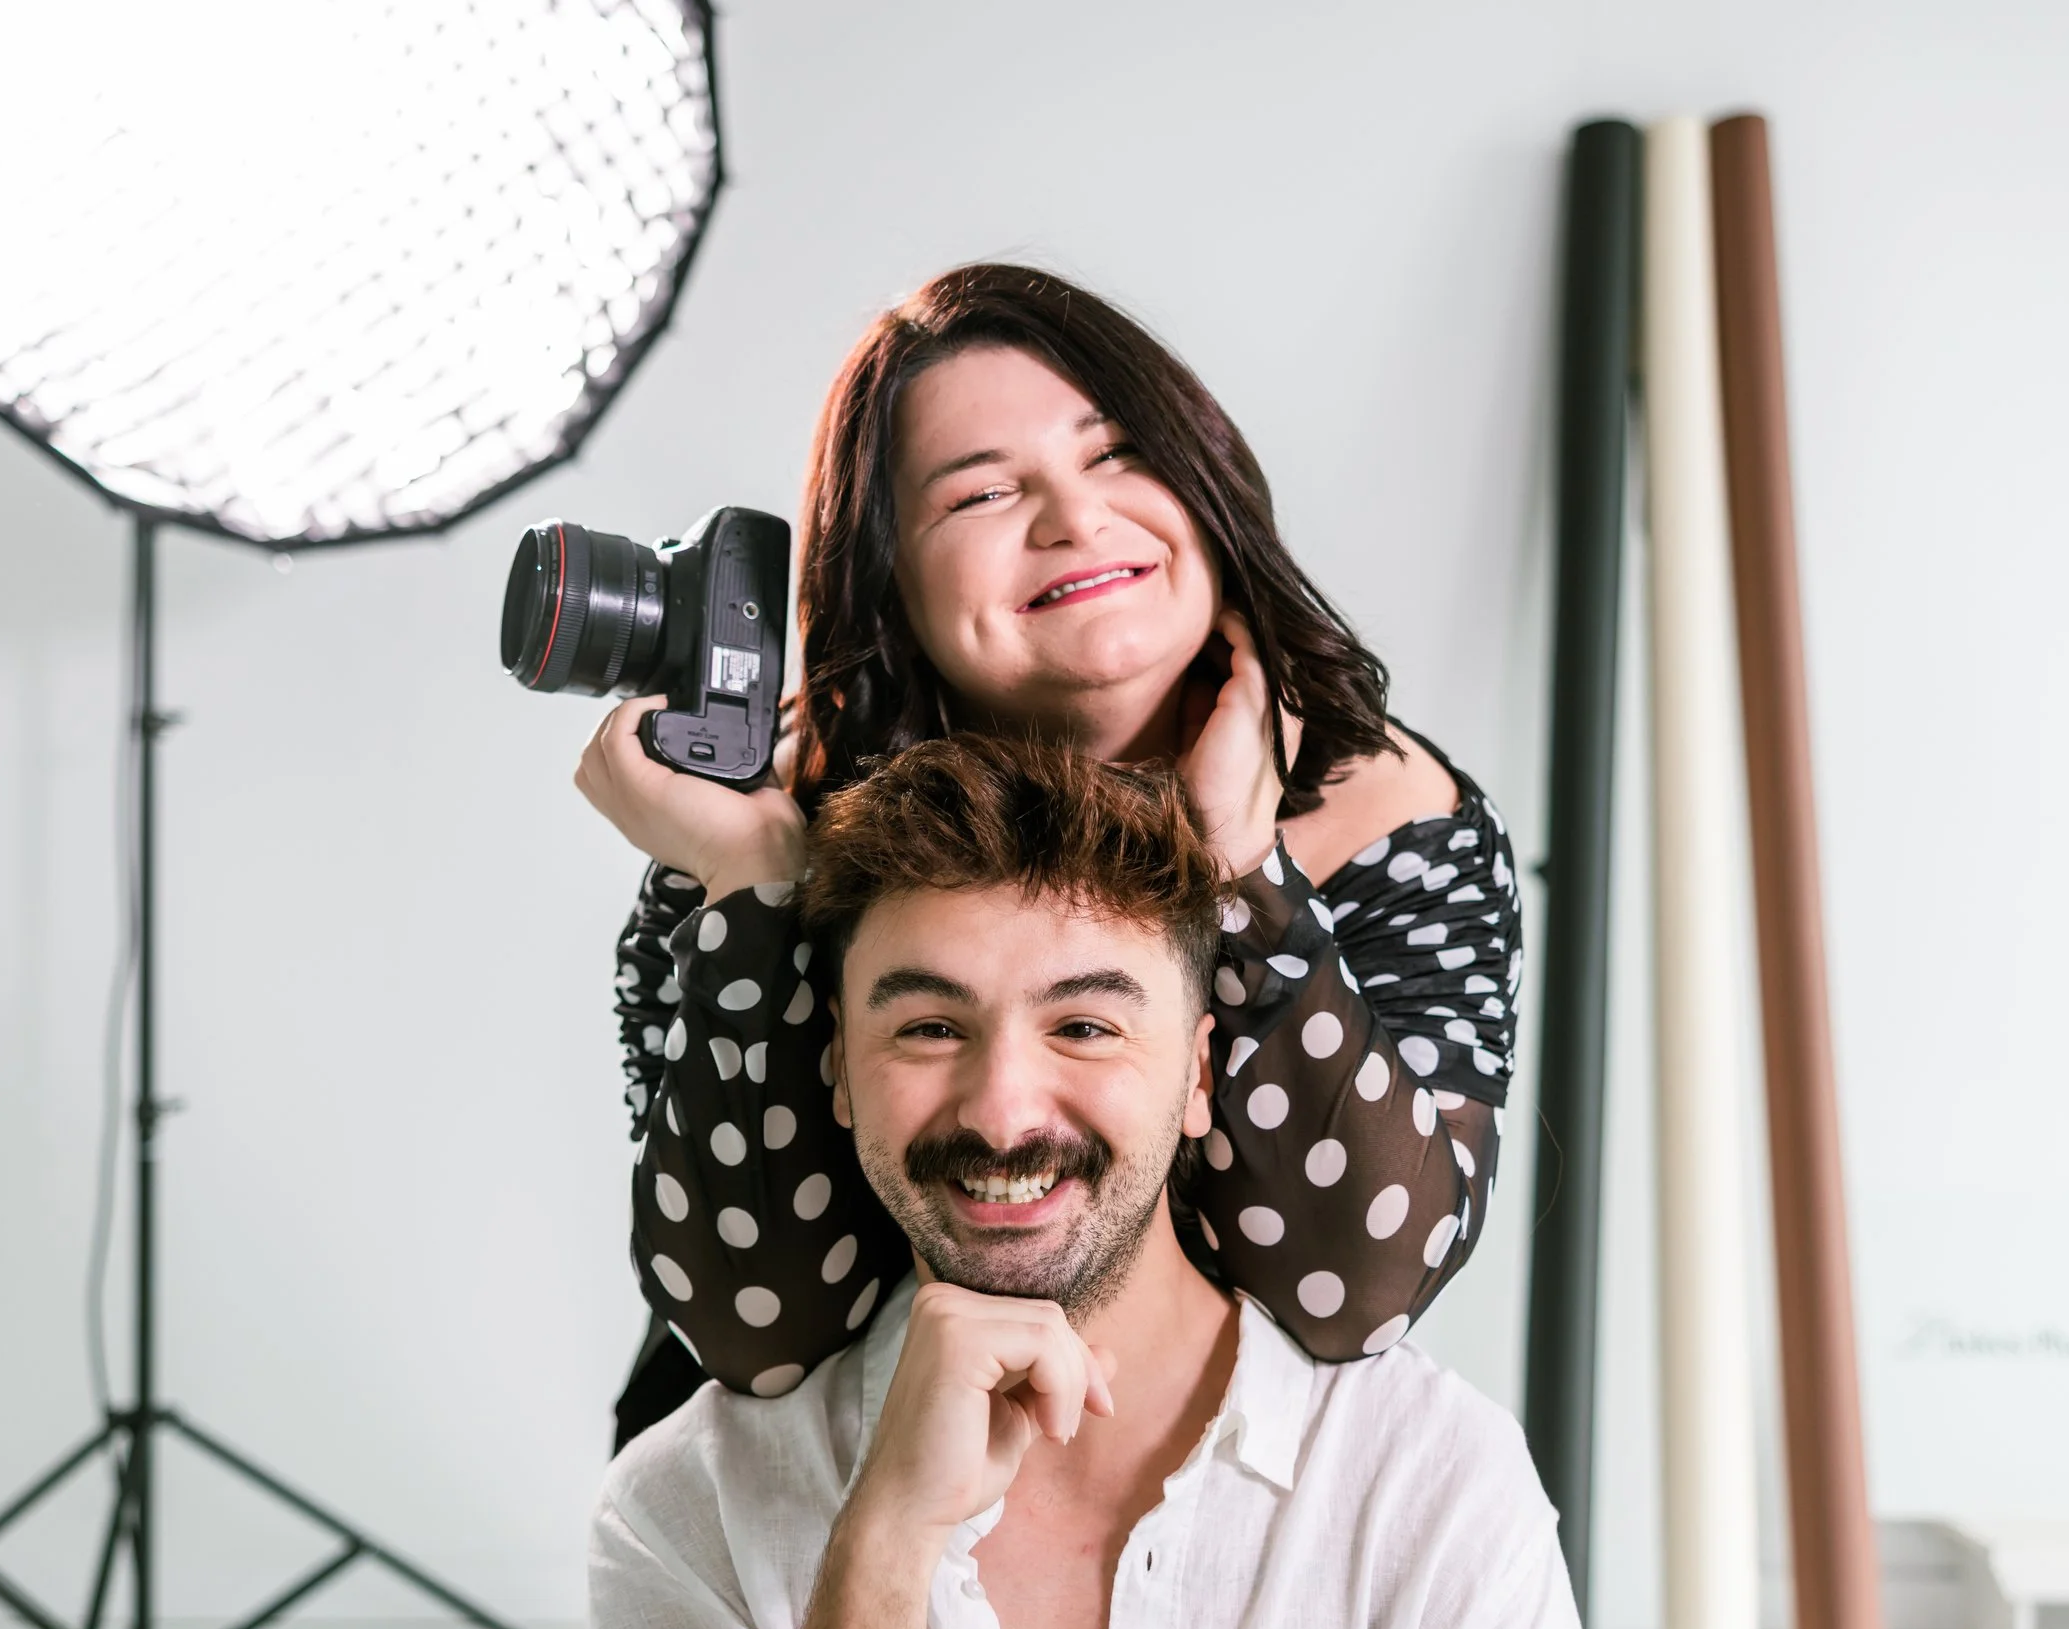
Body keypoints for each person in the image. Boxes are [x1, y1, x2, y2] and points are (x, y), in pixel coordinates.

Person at [584, 264, 1524, 1441]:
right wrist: (755, 893)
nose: (1073, 519)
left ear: (1205, 483)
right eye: (979, 495)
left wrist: (1242, 869)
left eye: (1117, 453)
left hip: (1212, 1495)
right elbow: (759, 1331)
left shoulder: (1391, 819)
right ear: (889, 585)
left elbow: (1358, 1293)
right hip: (807, 1485)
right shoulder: (761, 814)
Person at [588, 737, 1584, 1629]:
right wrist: (884, 1536)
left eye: (1084, 1027)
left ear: (1199, 1078)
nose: (1002, 1111)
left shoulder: (1434, 1489)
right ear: (840, 1075)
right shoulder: (686, 1508)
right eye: (931, 1027)